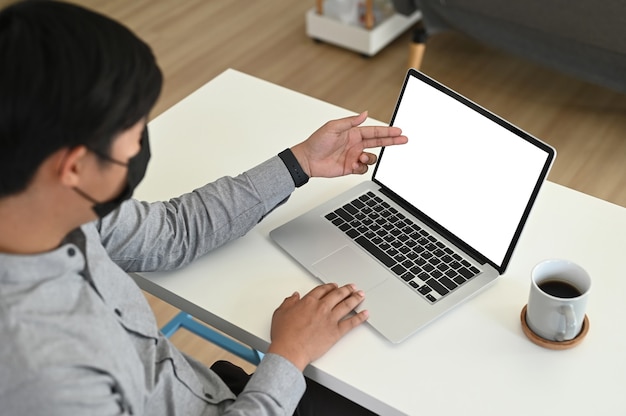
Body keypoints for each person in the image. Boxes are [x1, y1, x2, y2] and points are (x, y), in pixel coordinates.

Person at [0, 1, 408, 415]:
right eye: (134, 130)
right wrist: (288, 355)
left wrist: (299, 163)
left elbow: (170, 233)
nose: (141, 142)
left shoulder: (46, 205)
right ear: (74, 166)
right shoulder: (44, 376)